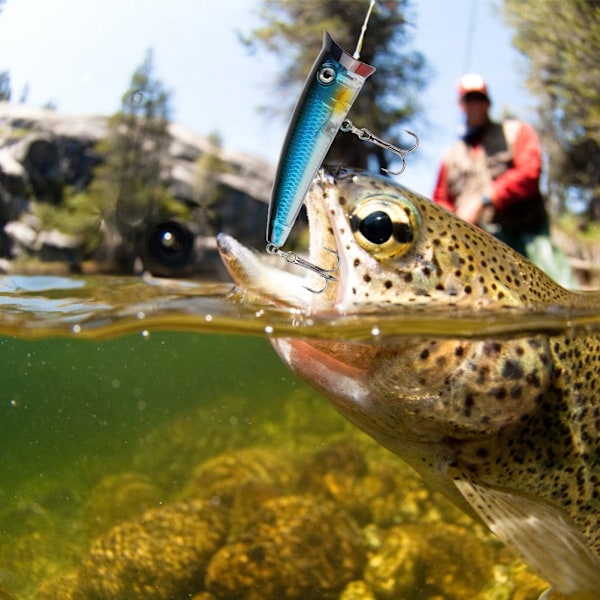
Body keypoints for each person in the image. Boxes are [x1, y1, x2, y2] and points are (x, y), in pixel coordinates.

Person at [432, 73, 577, 288]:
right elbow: (440, 201)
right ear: (461, 104)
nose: (476, 104)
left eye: (480, 98)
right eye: (469, 99)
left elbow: (530, 172)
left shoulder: (516, 132)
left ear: (489, 102)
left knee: (561, 293)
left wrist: (485, 198)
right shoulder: (450, 157)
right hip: (480, 250)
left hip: (528, 237)